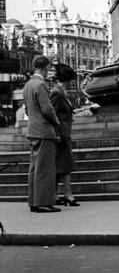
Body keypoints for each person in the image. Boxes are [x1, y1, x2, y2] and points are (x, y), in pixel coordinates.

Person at [23, 55, 61, 213]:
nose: (48, 72)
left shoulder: (28, 85)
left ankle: (34, 201)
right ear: (45, 67)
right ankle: (43, 202)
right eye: (48, 69)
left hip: (32, 129)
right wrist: (56, 122)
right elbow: (47, 109)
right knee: (45, 168)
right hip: (44, 131)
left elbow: (27, 109)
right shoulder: (41, 85)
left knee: (34, 168)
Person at [50, 63, 79, 207]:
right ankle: (68, 195)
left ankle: (55, 195)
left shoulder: (61, 91)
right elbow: (52, 114)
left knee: (59, 166)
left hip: (63, 133)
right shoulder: (57, 92)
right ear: (69, 79)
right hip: (61, 134)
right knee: (66, 166)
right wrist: (57, 134)